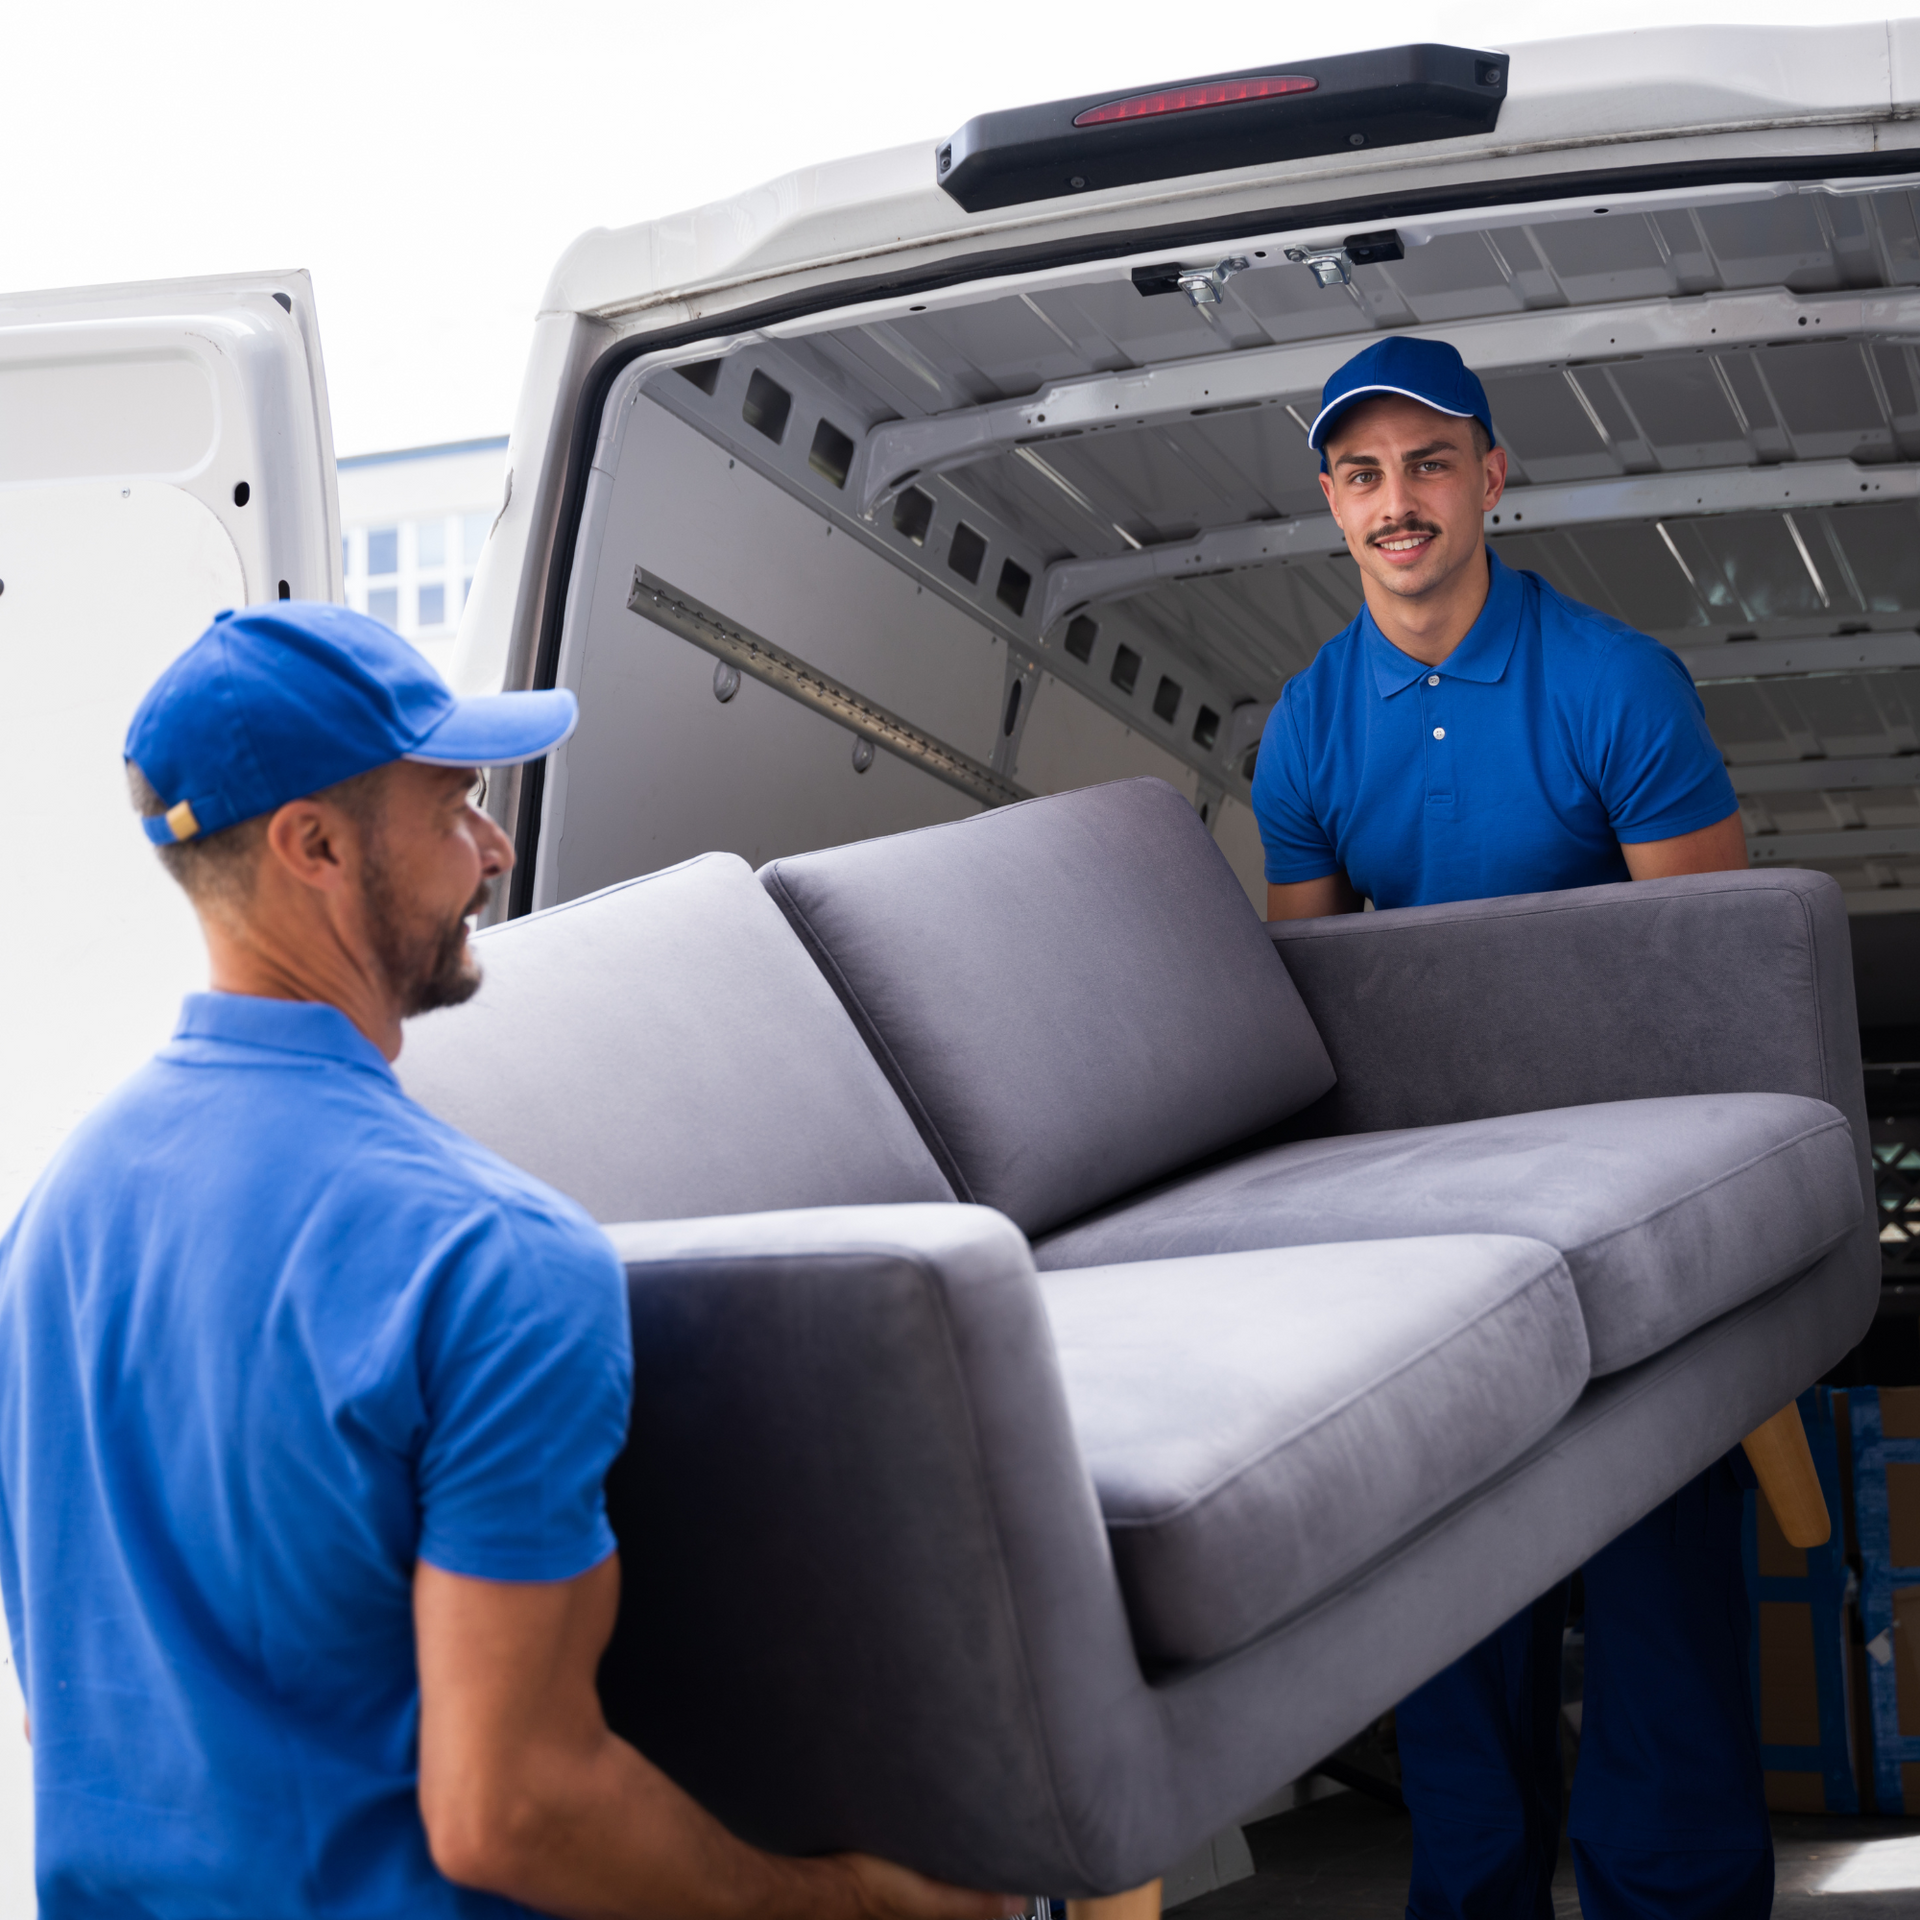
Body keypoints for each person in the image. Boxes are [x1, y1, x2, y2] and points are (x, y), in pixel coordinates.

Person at [0, 603, 1019, 1920]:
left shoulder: (47, 1227)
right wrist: (856, 1904)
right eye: (453, 806)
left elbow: (67, 1716)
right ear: (312, 844)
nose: (497, 846)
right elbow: (511, 1810)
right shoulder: (491, 1257)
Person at [1251, 338, 1766, 1920]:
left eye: (1426, 464)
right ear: (1332, 504)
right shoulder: (1307, 732)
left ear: (1489, 475)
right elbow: (1317, 1021)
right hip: (1432, 1238)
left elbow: (1722, 990)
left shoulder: (1613, 685)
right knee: (1452, 1637)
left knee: (1661, 1621)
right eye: (1361, 474)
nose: (1395, 502)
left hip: (1636, 1217)